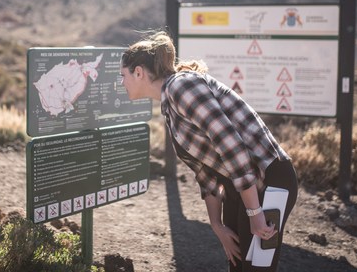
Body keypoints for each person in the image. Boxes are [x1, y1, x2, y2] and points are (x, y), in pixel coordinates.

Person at [120, 30, 298, 271]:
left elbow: (230, 145)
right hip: (242, 186)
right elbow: (204, 172)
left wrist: (254, 212)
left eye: (123, 76)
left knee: (256, 268)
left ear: (138, 72)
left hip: (269, 181)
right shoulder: (170, 106)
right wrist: (217, 225)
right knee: (237, 264)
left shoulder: (182, 87)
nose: (121, 83)